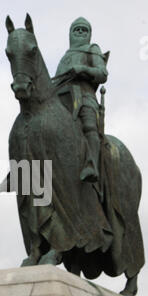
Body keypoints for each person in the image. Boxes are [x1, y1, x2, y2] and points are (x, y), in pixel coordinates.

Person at [55, 17, 109, 183]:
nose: (79, 32)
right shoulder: (65, 57)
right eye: (76, 29)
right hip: (60, 98)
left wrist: (82, 69)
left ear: (89, 34)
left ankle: (91, 164)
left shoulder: (92, 49)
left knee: (88, 124)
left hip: (84, 96)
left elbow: (102, 74)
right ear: (70, 33)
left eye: (83, 30)